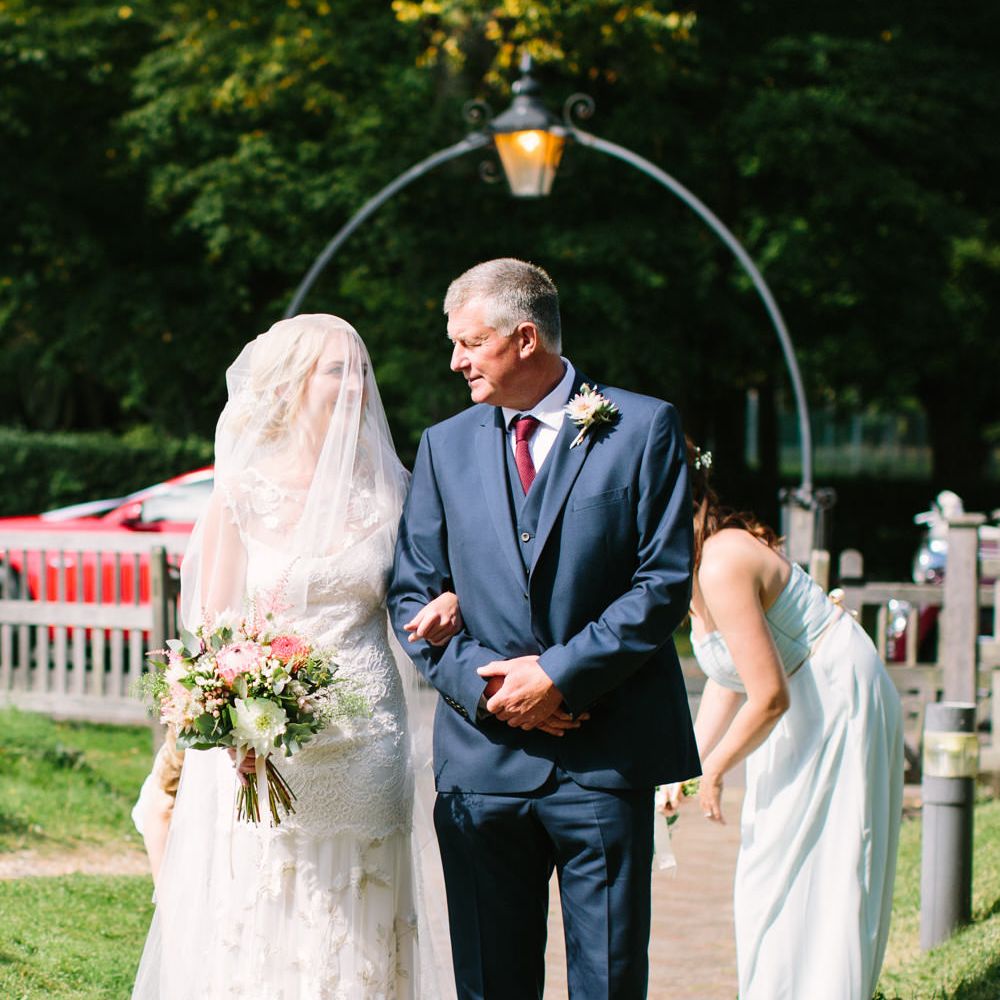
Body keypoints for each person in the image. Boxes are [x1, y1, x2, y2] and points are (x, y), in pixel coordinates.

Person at [387, 258, 699, 999]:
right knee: (491, 983)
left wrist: (556, 674)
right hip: (483, 761)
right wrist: (488, 686)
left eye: (470, 343)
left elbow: (663, 584)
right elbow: (413, 593)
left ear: (526, 338)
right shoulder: (444, 444)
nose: (455, 361)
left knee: (610, 979)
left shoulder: (642, 427)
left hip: (603, 755)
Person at [131, 314, 459, 999]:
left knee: (360, 907)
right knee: (264, 902)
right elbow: (211, 628)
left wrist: (449, 607)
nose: (356, 385)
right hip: (261, 742)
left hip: (367, 733)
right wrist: (224, 711)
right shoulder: (243, 492)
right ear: (291, 385)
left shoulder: (395, 490)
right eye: (337, 371)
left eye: (362, 370)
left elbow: (421, 595)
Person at [665, 438, 903, 1000]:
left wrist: (717, 769)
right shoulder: (694, 562)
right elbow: (732, 676)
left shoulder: (722, 559)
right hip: (796, 702)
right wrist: (686, 766)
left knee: (827, 865)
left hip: (833, 694)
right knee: (770, 868)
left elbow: (768, 696)